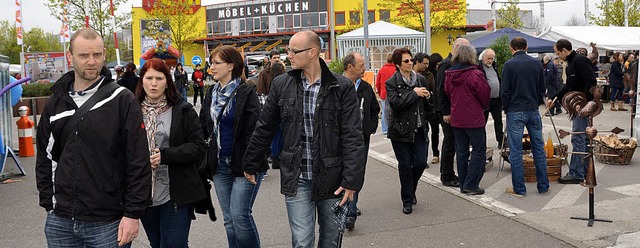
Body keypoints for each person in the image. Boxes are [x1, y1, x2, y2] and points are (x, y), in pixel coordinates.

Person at [243, 30, 364, 247]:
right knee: (301, 241)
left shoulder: (341, 87)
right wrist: (250, 162)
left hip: (332, 177)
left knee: (331, 239)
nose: (288, 55)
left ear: (312, 52)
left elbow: (353, 136)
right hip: (296, 175)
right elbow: (264, 127)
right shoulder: (281, 85)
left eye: (294, 50)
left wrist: (351, 181)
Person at [35, 28, 151, 247]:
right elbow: (44, 156)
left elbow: (138, 160)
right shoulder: (56, 102)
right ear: (70, 57)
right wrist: (50, 204)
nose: (91, 61)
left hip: (108, 222)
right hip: (60, 221)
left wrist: (133, 214)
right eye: (84, 55)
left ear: (104, 54)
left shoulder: (122, 100)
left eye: (97, 55)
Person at [199, 45, 266, 248]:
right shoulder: (211, 93)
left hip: (244, 165)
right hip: (219, 166)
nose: (212, 67)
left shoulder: (246, 92)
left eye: (216, 63)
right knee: (229, 221)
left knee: (240, 217)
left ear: (230, 66)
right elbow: (203, 127)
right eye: (211, 63)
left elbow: (255, 131)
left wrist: (250, 164)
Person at [136, 58, 207, 247]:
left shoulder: (182, 110)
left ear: (167, 81)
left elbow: (198, 146)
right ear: (141, 80)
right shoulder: (130, 111)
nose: (153, 83)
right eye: (149, 77)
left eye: (159, 78)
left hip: (176, 193)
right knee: (157, 243)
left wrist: (166, 155)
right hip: (143, 194)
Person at [501, 37, 549, 197]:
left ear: (511, 48)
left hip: (515, 109)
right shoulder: (537, 63)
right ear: (526, 47)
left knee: (516, 150)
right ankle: (543, 186)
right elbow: (542, 87)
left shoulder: (509, 65)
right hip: (532, 109)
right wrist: (536, 102)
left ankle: (519, 189)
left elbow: (505, 91)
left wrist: (506, 108)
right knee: (538, 148)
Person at [386, 47, 431, 214]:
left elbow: (426, 104)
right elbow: (395, 104)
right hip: (400, 131)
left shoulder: (420, 79)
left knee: (420, 163)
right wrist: (414, 93)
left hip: (419, 129)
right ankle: (407, 199)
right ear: (398, 64)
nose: (410, 63)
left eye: (411, 60)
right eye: (406, 61)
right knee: (405, 165)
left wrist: (427, 96)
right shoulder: (392, 82)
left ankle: (411, 190)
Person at [444, 44, 491, 195]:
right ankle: (471, 184)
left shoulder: (449, 74)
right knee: (478, 150)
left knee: (462, 151)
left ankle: (464, 183)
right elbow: (484, 94)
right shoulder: (475, 74)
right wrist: (484, 106)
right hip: (473, 117)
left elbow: (447, 93)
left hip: (457, 117)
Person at [551, 39, 598, 185]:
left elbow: (591, 81)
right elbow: (569, 86)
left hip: (582, 107)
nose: (558, 56)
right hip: (579, 106)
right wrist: (554, 98)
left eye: (558, 53)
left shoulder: (580, 61)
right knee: (582, 139)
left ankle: (576, 174)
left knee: (578, 139)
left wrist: (582, 102)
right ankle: (583, 171)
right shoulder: (571, 64)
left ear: (565, 50)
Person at [342, 51, 380, 230]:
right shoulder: (336, 85)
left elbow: (374, 110)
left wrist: (369, 129)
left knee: (357, 174)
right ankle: (348, 211)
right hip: (340, 140)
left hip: (361, 140)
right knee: (342, 173)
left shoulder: (365, 87)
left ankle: (351, 207)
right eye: (361, 65)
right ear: (350, 67)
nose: (365, 68)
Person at [436, 39, 470, 188]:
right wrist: (445, 112)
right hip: (447, 111)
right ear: (457, 48)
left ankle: (449, 172)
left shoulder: (455, 63)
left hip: (454, 109)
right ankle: (446, 175)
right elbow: (441, 91)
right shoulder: (446, 64)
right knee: (449, 142)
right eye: (465, 49)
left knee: (454, 142)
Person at [413, 52, 438, 165]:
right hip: (414, 110)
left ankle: (433, 154)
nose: (426, 66)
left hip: (427, 108)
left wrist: (429, 95)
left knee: (430, 132)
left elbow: (433, 90)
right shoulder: (409, 75)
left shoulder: (429, 75)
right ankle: (420, 158)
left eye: (428, 63)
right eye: (424, 63)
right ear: (417, 62)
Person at [477, 48, 504, 148]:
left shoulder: (494, 66)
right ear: (483, 57)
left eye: (492, 59)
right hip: (485, 100)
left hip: (496, 99)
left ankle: (500, 141)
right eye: (488, 58)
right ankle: (481, 142)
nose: (490, 61)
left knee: (498, 121)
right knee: (482, 122)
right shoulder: (479, 67)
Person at [376, 53, 395, 135]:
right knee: (394, 111)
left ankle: (385, 129)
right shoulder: (396, 69)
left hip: (384, 93)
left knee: (384, 112)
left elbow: (378, 83)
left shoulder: (382, 70)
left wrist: (380, 92)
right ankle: (393, 127)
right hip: (394, 94)